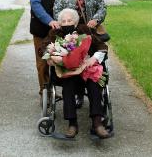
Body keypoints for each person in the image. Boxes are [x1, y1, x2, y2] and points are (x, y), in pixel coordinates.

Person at [43, 8, 110, 139]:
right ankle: (72, 124)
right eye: (63, 21)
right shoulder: (54, 33)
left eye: (70, 20)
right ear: (59, 23)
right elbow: (43, 47)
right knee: (68, 84)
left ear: (76, 21)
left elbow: (102, 46)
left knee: (94, 83)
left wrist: (94, 58)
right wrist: (51, 56)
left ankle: (97, 123)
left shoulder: (85, 30)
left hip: (86, 70)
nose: (67, 23)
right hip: (68, 73)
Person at [53, 0, 107, 108]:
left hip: (91, 31)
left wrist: (96, 20)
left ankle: (94, 87)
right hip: (70, 33)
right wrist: (64, 23)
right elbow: (57, 11)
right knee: (73, 62)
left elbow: (102, 7)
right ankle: (77, 93)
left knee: (90, 59)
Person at [29, 0, 67, 97]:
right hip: (41, 29)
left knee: (61, 58)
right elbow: (35, 4)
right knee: (43, 62)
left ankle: (66, 89)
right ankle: (45, 93)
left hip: (61, 30)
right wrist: (50, 21)